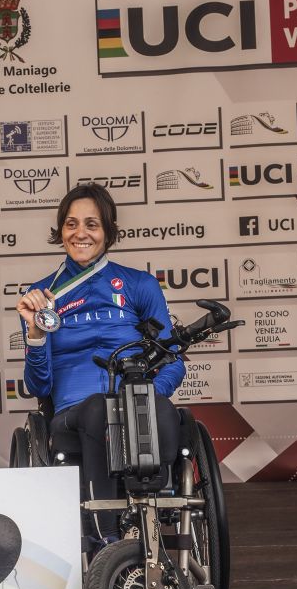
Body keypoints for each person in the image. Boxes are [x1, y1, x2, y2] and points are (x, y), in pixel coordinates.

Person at [16, 184, 185, 545]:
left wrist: (147, 393)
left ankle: (146, 522)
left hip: (136, 401)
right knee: (98, 408)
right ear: (61, 231)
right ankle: (106, 537)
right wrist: (35, 332)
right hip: (74, 412)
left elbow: (173, 362)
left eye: (91, 224)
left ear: (108, 231)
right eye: (71, 224)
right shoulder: (41, 297)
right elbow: (39, 386)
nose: (81, 233)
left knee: (159, 411)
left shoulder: (140, 285)